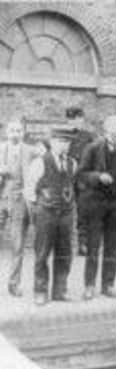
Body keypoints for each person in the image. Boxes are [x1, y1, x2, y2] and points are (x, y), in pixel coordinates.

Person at [78, 115, 116, 300]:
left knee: (113, 248)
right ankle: (89, 285)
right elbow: (81, 174)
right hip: (96, 205)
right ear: (108, 133)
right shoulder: (93, 148)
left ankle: (108, 284)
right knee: (93, 247)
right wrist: (98, 176)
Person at [24, 127, 77, 305]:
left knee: (64, 253)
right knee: (42, 253)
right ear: (53, 142)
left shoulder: (72, 163)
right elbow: (30, 190)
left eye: (68, 142)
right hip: (46, 213)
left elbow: (71, 186)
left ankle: (60, 290)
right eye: (61, 141)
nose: (65, 145)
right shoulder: (40, 162)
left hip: (66, 214)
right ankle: (40, 291)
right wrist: (37, 211)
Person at [0, 118, 43, 297]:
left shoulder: (31, 150)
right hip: (3, 199)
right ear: (6, 132)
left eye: (18, 131)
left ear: (23, 132)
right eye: (12, 131)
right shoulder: (1, 149)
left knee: (17, 246)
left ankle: (13, 283)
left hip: (21, 202)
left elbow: (44, 159)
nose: (15, 134)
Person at [65, 106, 96, 256]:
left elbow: (94, 158)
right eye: (71, 119)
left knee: (84, 212)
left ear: (82, 119)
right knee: (65, 210)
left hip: (83, 180)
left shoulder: (89, 137)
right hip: (66, 179)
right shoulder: (63, 135)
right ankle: (64, 244)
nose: (74, 122)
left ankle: (83, 243)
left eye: (77, 119)